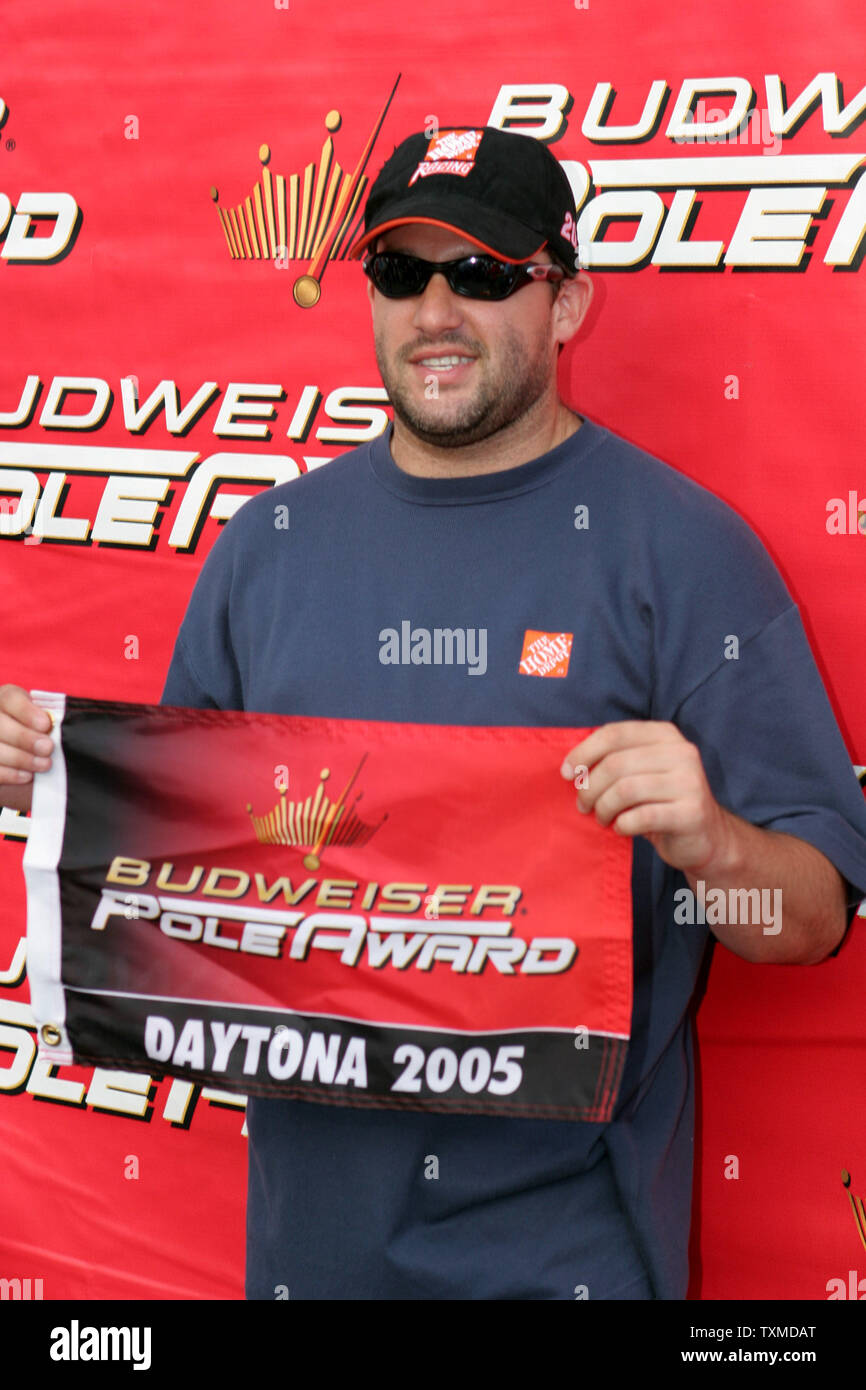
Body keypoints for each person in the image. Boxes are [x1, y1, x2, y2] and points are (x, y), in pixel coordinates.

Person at [4, 125, 866, 1301]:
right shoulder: (266, 552)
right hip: (306, 1263)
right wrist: (63, 783)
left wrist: (709, 839)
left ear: (565, 304)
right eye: (400, 274)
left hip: (567, 1263)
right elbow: (187, 892)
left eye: (482, 274)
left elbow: (807, 920)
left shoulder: (688, 557)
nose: (434, 312)